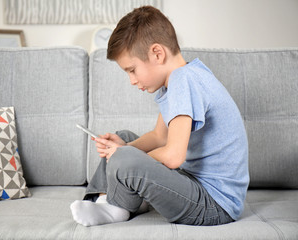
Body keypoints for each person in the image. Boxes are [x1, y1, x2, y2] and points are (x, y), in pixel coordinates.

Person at [70, 5, 249, 227]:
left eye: (132, 70)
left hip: (215, 205)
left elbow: (174, 156)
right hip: (195, 185)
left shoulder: (184, 81)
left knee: (124, 156)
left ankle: (115, 207)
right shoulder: (181, 80)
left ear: (157, 53)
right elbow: (159, 137)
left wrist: (123, 155)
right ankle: (108, 199)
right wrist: (125, 148)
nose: (132, 81)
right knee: (124, 139)